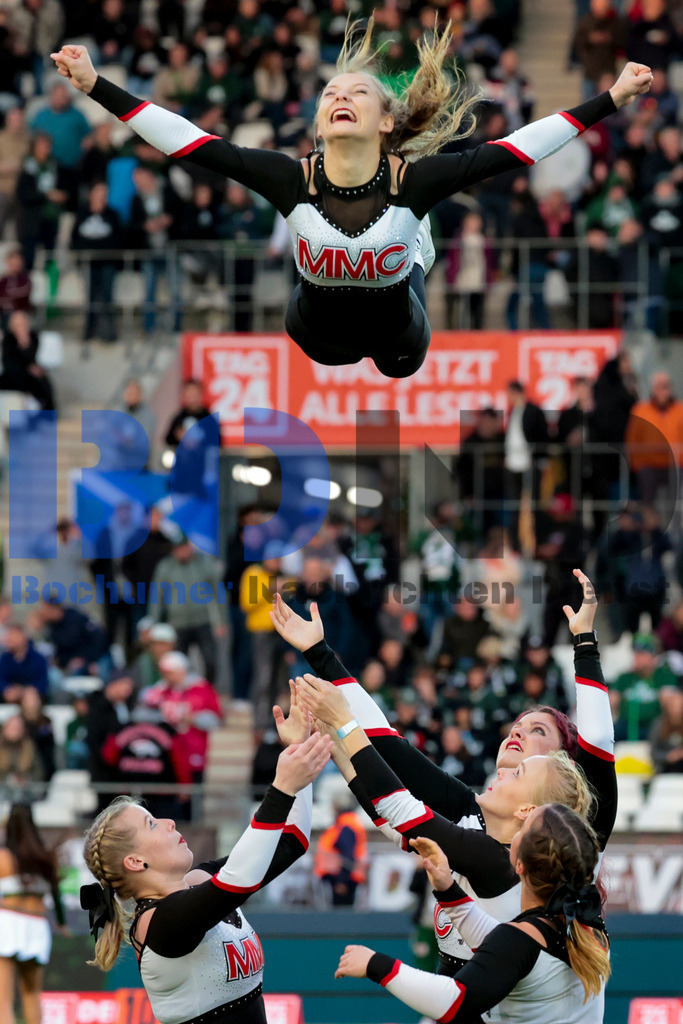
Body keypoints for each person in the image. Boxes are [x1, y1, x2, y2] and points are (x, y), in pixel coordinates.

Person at [51, 37, 653, 378]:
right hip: (315, 333)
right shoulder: (290, 180)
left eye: (358, 92)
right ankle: (408, 254)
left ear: (385, 120)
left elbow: (518, 148)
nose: (341, 96)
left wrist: (614, 97)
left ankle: (418, 251)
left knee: (396, 364)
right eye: (331, 94)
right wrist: (95, 84)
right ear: (318, 121)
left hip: (400, 336)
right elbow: (188, 141)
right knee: (323, 336)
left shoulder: (414, 182)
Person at [272, 568, 616, 986]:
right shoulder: (474, 809)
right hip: (468, 992)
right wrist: (320, 661)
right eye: (517, 725)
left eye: (538, 730)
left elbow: (597, 744)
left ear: (562, 763)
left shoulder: (575, 832)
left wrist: (584, 641)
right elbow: (389, 750)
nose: (518, 731)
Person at [79, 731, 331, 1024]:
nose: (168, 822)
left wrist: (297, 747)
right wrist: (282, 787)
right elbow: (241, 879)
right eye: (151, 824)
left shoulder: (198, 882)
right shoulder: (159, 923)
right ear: (135, 861)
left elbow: (291, 842)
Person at [334, 808, 610, 1024]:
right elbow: (507, 950)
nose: (520, 816)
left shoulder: (519, 941)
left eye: (524, 827)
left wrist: (376, 964)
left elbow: (454, 1001)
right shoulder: (587, 923)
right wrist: (447, 889)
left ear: (520, 865)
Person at [0, 803, 68, 1024]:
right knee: (31, 994)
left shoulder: (4, 857)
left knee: (3, 1000)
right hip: (37, 925)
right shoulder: (44, 858)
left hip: (8, 921)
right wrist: (61, 922)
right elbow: (56, 895)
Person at [313, 790, 368, 906]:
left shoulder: (346, 827)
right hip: (341, 879)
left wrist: (342, 881)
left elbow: (347, 855)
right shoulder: (346, 824)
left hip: (342, 881)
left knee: (341, 917)